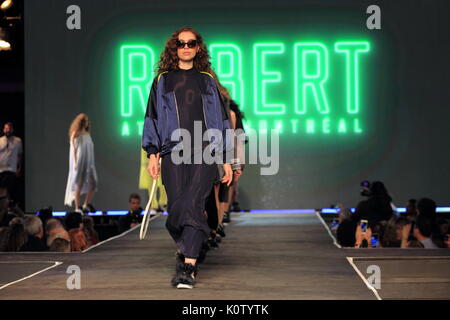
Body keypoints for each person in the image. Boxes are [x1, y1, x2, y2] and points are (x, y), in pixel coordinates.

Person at [142, 26, 233, 289]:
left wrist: (225, 157)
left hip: (204, 151)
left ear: (198, 48)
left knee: (193, 203)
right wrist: (152, 154)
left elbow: (221, 119)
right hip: (172, 151)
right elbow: (153, 117)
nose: (186, 47)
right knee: (176, 209)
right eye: (181, 43)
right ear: (174, 47)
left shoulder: (206, 79)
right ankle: (193, 241)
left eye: (191, 43)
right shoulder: (162, 80)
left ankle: (188, 267)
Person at [64, 113, 98, 214]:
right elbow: (73, 147)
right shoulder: (76, 132)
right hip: (80, 161)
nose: (86, 123)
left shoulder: (87, 133)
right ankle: (77, 207)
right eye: (84, 121)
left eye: (87, 121)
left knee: (94, 182)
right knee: (79, 182)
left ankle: (86, 204)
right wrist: (75, 162)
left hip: (89, 162)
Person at [0, 122, 23, 206]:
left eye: (9, 129)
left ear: (12, 130)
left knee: (9, 190)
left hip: (11, 170)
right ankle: (5, 207)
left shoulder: (17, 141)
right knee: (2, 191)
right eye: (6, 128)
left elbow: (19, 155)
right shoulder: (0, 140)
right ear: (3, 129)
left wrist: (19, 168)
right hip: (1, 170)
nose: (7, 130)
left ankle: (9, 206)